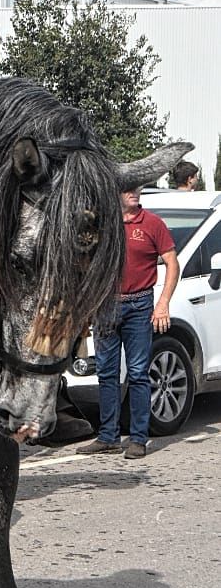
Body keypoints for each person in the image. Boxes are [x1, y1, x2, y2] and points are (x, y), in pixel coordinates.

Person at [79, 187, 179, 459]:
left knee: (137, 373)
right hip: (105, 304)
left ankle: (138, 438)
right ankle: (108, 436)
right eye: (128, 189)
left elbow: (172, 263)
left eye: (137, 188)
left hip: (139, 304)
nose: (134, 193)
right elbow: (86, 262)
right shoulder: (103, 224)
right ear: (115, 194)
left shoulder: (152, 223)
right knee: (106, 372)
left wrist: (163, 303)